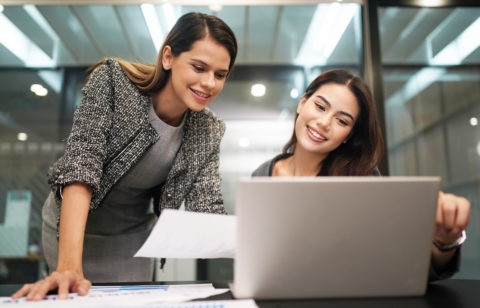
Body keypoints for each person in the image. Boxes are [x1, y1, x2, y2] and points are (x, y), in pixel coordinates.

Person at [12, 12, 237, 300]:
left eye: (220, 75)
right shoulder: (113, 82)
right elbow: (82, 166)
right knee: (73, 296)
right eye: (199, 67)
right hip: (73, 224)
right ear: (168, 57)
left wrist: (255, 254)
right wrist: (68, 266)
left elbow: (207, 209)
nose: (209, 83)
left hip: (131, 236)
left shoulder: (208, 128)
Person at [252, 69, 470, 281]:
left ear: (348, 135)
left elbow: (409, 265)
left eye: (342, 121)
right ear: (302, 103)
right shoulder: (262, 175)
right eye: (320, 107)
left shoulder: (361, 179)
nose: (324, 123)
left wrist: (445, 240)